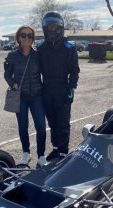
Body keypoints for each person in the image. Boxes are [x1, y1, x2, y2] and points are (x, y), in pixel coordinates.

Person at [38, 11, 80, 161]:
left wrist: (72, 88)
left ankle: (63, 151)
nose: (51, 29)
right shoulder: (41, 48)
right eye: (48, 26)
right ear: (44, 28)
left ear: (60, 27)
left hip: (62, 89)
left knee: (63, 123)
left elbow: (74, 70)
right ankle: (55, 148)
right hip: (46, 89)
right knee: (52, 122)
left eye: (54, 26)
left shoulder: (69, 48)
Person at [4, 25, 47, 167]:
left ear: (33, 38)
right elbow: (7, 74)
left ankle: (41, 156)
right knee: (23, 127)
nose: (27, 38)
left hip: (37, 96)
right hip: (20, 97)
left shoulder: (38, 56)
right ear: (18, 38)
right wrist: (13, 84)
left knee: (41, 126)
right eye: (24, 35)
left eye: (30, 35)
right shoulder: (12, 56)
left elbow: (45, 73)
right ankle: (26, 153)